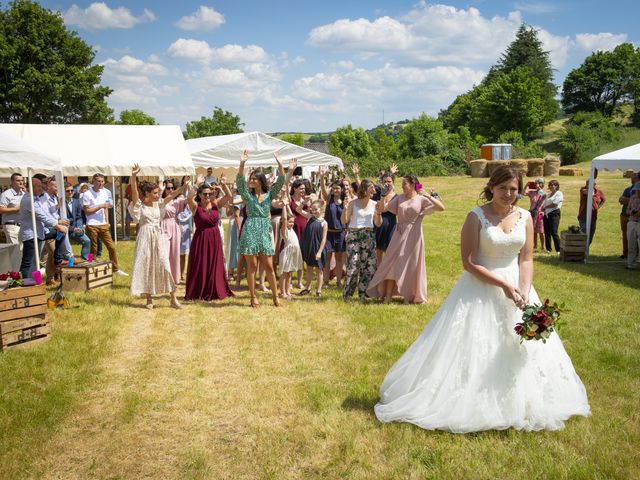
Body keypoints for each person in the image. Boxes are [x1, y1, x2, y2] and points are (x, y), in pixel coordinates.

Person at [374, 166, 590, 432]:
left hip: (520, 290)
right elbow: (468, 262)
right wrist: (504, 286)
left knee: (523, 345)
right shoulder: (475, 216)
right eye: (503, 189)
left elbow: (527, 258)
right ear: (491, 188)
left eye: (513, 189)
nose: (509, 194)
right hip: (480, 286)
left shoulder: (525, 216)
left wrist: (523, 289)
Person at [366, 175, 445, 304]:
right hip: (399, 234)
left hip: (414, 235)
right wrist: (382, 196)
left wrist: (428, 195)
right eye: (402, 184)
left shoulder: (421, 199)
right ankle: (387, 296)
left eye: (405, 184)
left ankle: (409, 295)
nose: (402, 186)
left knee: (411, 265)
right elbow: (382, 209)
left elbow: (441, 208)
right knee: (392, 263)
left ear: (413, 184)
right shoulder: (399, 198)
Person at [237, 151, 296, 308]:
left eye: (254, 179)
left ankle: (275, 297)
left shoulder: (269, 195)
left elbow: (282, 180)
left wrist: (281, 165)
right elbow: (239, 182)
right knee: (252, 267)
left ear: (261, 181)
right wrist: (242, 163)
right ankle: (253, 297)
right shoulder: (247, 196)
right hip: (250, 229)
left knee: (269, 266)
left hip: (264, 230)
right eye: (251, 178)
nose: (251, 180)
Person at [128, 165, 182, 309]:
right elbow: (134, 191)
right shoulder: (140, 206)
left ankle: (173, 298)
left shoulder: (158, 204)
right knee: (147, 266)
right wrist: (133, 176)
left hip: (157, 236)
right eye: (156, 193)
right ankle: (149, 299)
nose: (159, 195)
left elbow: (171, 195)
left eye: (159, 192)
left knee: (165, 264)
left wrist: (183, 186)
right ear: (147, 193)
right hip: (145, 237)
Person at [185, 177, 233, 302]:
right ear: (200, 195)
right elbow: (189, 198)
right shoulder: (195, 206)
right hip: (201, 238)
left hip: (215, 237)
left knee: (215, 263)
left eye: (209, 193)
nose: (207, 195)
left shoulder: (216, 204)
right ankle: (200, 289)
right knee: (201, 264)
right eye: (205, 194)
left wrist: (222, 186)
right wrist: (196, 184)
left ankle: (215, 289)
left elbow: (229, 196)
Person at [18, 176, 68, 279]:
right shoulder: (29, 199)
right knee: (29, 261)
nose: (41, 189)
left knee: (60, 233)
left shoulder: (36, 198)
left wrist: (58, 224)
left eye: (41, 186)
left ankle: (57, 259)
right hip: (31, 235)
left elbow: (46, 213)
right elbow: (42, 216)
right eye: (38, 187)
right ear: (29, 188)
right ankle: (24, 283)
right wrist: (57, 225)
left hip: (40, 233)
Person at [341, 179, 379, 300]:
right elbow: (344, 220)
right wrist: (345, 208)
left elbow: (378, 223)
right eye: (371, 188)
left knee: (368, 266)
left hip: (368, 235)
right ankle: (348, 295)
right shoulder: (353, 203)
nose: (374, 190)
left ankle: (364, 294)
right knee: (353, 265)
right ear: (364, 189)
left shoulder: (374, 204)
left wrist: (378, 213)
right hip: (354, 235)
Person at [82, 173, 127, 276]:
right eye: (98, 181)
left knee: (111, 247)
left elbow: (106, 207)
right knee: (93, 249)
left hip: (103, 224)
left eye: (102, 181)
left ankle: (115, 269)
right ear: (93, 181)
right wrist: (100, 206)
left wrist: (107, 221)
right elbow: (87, 211)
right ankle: (90, 266)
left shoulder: (105, 192)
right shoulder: (87, 194)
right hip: (92, 224)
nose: (101, 183)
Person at [319, 172, 347, 288]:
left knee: (339, 259)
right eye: (334, 188)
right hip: (329, 233)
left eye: (338, 188)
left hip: (340, 232)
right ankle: (325, 281)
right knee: (327, 258)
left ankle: (339, 282)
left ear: (341, 189)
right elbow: (323, 191)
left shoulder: (345, 201)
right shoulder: (329, 199)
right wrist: (321, 178)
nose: (335, 190)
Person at [297, 200, 328, 297]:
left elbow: (323, 239)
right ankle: (307, 288)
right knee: (309, 268)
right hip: (309, 247)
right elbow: (298, 210)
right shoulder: (310, 217)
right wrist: (304, 202)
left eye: (316, 209)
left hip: (318, 248)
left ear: (321, 209)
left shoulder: (324, 223)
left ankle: (318, 291)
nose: (314, 211)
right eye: (312, 209)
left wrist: (319, 252)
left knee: (319, 270)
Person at [160, 179, 188, 284]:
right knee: (164, 254)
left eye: (172, 188)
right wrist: (182, 187)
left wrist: (194, 185)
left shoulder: (177, 201)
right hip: (163, 226)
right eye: (168, 188)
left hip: (175, 226)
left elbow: (189, 199)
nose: (170, 190)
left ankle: (174, 278)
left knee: (174, 253)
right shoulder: (160, 200)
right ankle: (163, 278)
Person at [278, 198, 303, 299]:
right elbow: (284, 219)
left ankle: (288, 291)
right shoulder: (284, 230)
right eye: (290, 222)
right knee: (284, 274)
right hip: (287, 253)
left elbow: (290, 216)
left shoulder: (291, 229)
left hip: (294, 252)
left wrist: (287, 206)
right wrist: (284, 206)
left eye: (292, 222)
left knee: (289, 274)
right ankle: (282, 292)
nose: (291, 224)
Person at [374, 167, 398, 264]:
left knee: (389, 253)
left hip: (391, 226)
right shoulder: (378, 193)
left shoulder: (397, 197)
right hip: (378, 224)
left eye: (389, 181)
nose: (387, 184)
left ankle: (387, 276)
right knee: (377, 253)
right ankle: (378, 277)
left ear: (393, 182)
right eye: (385, 181)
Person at [289, 178, 309, 289]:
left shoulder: (306, 199)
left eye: (304, 189)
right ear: (295, 188)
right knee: (292, 254)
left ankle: (300, 282)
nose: (303, 190)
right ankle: (290, 281)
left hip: (304, 230)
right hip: (293, 229)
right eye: (301, 188)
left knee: (301, 256)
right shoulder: (290, 199)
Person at [64, 182, 91, 260]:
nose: (70, 192)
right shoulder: (61, 203)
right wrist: (72, 229)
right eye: (67, 191)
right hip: (64, 230)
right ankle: (68, 264)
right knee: (67, 251)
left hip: (76, 229)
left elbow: (79, 217)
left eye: (72, 190)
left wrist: (80, 227)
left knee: (87, 241)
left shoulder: (76, 202)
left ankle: (86, 259)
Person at [619, 172, 640, 259]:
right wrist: (628, 200)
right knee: (625, 236)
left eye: (634, 176)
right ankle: (625, 253)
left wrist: (627, 200)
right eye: (631, 177)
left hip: (636, 219)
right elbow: (620, 200)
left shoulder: (637, 189)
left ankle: (636, 255)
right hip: (624, 215)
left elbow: (627, 201)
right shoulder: (627, 189)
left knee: (636, 238)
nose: (632, 178)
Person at [0, 173, 25, 246]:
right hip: (11, 225)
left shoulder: (24, 194)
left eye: (22, 180)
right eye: (18, 180)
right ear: (12, 182)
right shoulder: (6, 194)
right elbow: (1, 209)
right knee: (15, 251)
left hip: (22, 226)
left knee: (22, 251)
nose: (21, 182)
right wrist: (16, 209)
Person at [578, 180, 606, 245]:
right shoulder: (583, 190)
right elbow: (587, 193)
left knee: (591, 234)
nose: (588, 185)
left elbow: (604, 199)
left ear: (594, 185)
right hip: (583, 215)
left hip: (593, 216)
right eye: (587, 184)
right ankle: (581, 250)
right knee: (584, 231)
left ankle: (585, 249)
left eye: (591, 184)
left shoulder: (598, 192)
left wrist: (598, 207)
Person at [542, 180, 563, 253]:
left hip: (554, 214)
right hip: (546, 215)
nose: (551, 186)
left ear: (556, 186)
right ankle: (548, 249)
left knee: (554, 232)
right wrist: (543, 208)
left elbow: (555, 204)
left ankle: (558, 250)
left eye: (553, 185)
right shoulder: (548, 194)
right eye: (550, 185)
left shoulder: (559, 193)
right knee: (547, 232)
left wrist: (545, 207)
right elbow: (544, 203)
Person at [526, 177, 546, 251]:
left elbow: (544, 195)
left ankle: (543, 247)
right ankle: (535, 246)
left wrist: (538, 188)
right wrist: (526, 185)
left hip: (541, 214)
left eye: (539, 183)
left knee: (541, 230)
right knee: (533, 230)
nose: (537, 184)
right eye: (536, 183)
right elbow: (521, 194)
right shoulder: (532, 193)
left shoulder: (543, 193)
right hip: (533, 213)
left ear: (542, 185)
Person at [625, 183, 640, 269]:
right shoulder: (633, 198)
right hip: (631, 222)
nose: (637, 192)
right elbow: (627, 210)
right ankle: (630, 264)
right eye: (636, 190)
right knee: (631, 244)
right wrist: (631, 212)